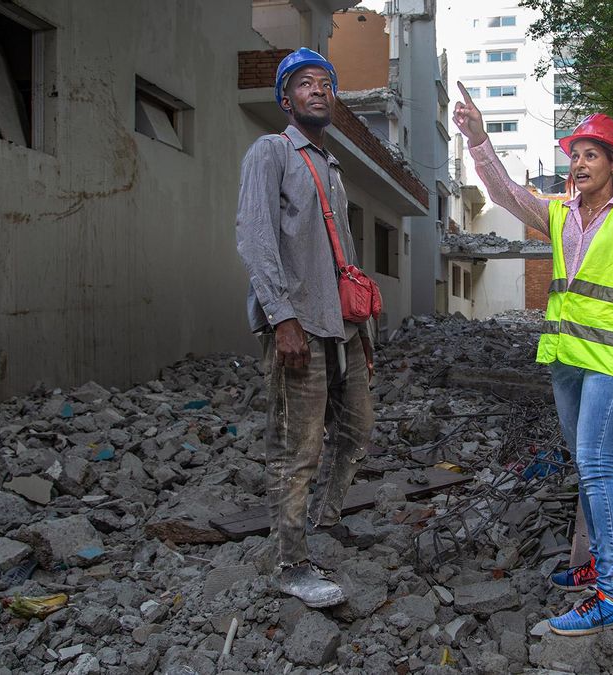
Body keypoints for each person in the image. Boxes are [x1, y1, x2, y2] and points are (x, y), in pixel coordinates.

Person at [452, 83, 613, 636]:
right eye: (575, 155)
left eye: (591, 155)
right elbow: (504, 194)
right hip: (566, 358)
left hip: (612, 360)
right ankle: (598, 564)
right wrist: (478, 139)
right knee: (585, 463)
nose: (579, 163)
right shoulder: (558, 212)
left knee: (596, 465)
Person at [234, 48, 375, 608]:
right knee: (297, 448)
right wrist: (282, 318)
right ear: (287, 100)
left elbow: (345, 258)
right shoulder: (271, 151)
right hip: (299, 324)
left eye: (326, 83)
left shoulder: (332, 167)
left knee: (357, 430)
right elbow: (255, 236)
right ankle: (289, 562)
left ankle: (327, 520)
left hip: (343, 326)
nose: (319, 90)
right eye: (305, 83)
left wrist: (363, 332)